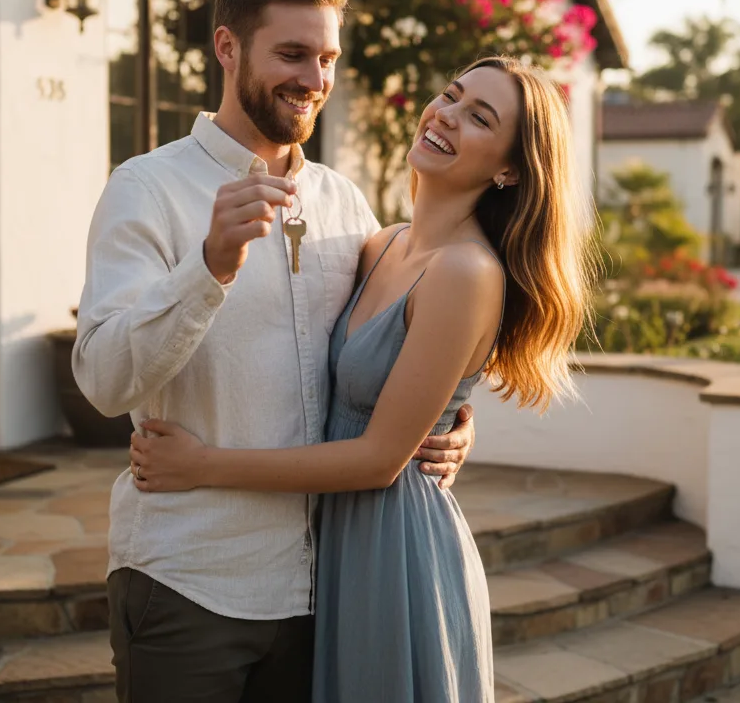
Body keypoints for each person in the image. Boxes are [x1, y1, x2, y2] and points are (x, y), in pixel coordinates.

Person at [129, 55, 597, 702]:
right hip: (332, 545)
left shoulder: (466, 272)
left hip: (393, 548)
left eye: (479, 117)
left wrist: (203, 464)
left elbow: (380, 458)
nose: (446, 116)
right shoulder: (382, 245)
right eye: (451, 95)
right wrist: (453, 421)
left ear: (509, 169)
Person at [72, 0, 476, 703]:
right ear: (227, 48)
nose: (314, 79)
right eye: (291, 54)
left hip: (328, 591)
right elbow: (102, 380)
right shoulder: (146, 188)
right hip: (189, 580)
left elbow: (386, 352)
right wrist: (210, 266)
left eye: (326, 58)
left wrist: (453, 421)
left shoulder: (345, 203)